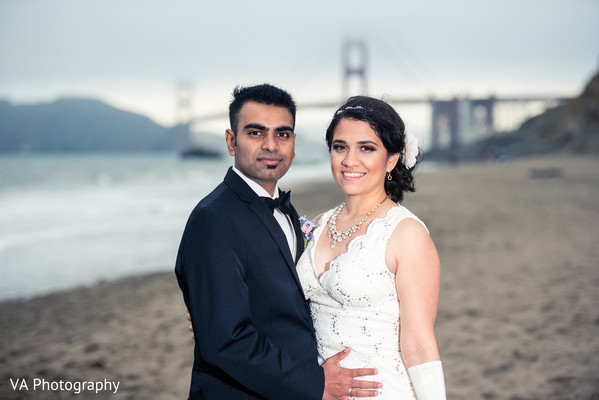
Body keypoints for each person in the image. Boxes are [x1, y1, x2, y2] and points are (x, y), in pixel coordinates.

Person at [175, 84, 381, 400]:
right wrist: (316, 383)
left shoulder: (287, 211)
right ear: (231, 142)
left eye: (282, 134)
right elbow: (226, 340)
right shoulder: (213, 220)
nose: (271, 145)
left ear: (293, 144)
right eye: (256, 133)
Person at [295, 96, 446, 399]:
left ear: (391, 159)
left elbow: (419, 343)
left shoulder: (406, 233)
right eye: (340, 147)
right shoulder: (320, 223)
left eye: (367, 148)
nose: (350, 160)